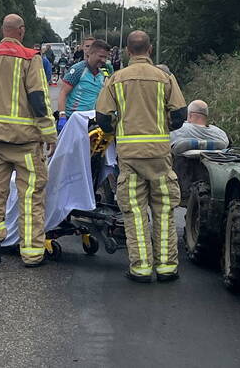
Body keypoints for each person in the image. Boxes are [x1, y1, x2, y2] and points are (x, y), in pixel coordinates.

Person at [96, 31, 187, 283]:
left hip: (130, 156)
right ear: (150, 50)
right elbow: (180, 114)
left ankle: (141, 268)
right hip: (159, 156)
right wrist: (161, 127)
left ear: (127, 51)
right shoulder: (165, 78)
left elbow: (103, 117)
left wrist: (119, 129)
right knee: (164, 210)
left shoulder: (116, 79)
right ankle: (167, 267)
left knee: (134, 212)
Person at [0, 14, 57, 267]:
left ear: (2, 30)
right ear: (22, 31)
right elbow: (38, 99)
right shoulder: (30, 58)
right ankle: (31, 254)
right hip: (25, 142)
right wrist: (49, 134)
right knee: (30, 197)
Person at [56, 39, 111, 125]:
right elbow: (63, 93)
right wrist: (62, 116)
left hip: (90, 120)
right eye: (100, 56)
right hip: (73, 119)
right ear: (90, 53)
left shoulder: (101, 74)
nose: (103, 60)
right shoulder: (78, 70)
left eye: (105, 57)